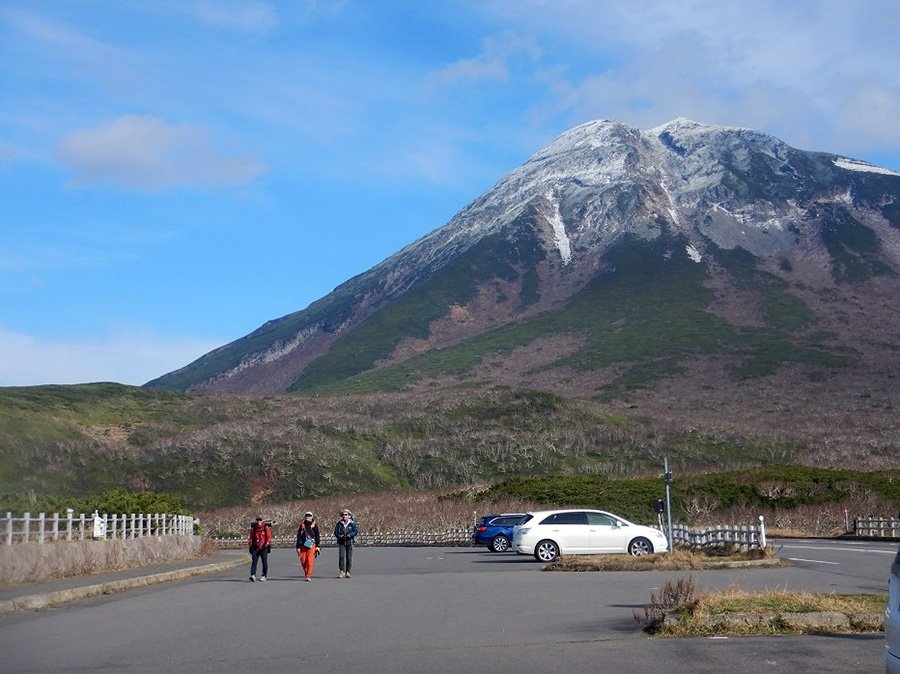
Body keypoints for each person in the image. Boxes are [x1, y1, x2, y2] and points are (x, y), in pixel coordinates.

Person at [295, 511, 320, 581]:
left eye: (309, 516)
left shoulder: (314, 525)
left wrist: (318, 546)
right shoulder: (302, 525)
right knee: (303, 560)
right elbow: (299, 536)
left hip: (311, 544)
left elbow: (317, 535)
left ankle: (308, 575)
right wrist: (298, 547)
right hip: (303, 544)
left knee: (310, 560)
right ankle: (306, 571)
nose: (308, 517)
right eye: (306, 516)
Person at [333, 509, 358, 578]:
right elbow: (336, 532)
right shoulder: (339, 523)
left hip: (349, 541)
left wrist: (350, 535)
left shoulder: (352, 523)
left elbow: (355, 531)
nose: (344, 516)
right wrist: (340, 536)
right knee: (341, 556)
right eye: (343, 515)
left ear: (348, 516)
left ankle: (348, 571)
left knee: (348, 557)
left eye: (346, 515)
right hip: (341, 541)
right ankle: (342, 571)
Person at [248, 516, 272, 582]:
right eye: (257, 520)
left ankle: (264, 575)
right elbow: (251, 538)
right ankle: (253, 575)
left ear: (262, 521)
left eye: (260, 520)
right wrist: (250, 546)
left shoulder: (265, 528)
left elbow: (269, 537)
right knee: (254, 562)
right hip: (255, 547)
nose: (259, 521)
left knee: (264, 562)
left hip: (264, 547)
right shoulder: (253, 528)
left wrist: (267, 544)